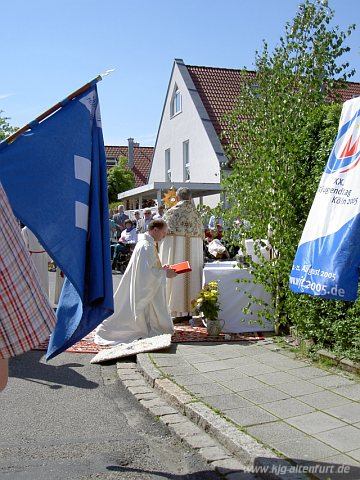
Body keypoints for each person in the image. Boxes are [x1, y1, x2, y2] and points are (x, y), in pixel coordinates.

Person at [0, 182, 56, 391]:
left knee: (42, 286)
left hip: (38, 258)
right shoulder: (24, 231)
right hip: (32, 258)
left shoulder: (38, 230)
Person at [94, 219, 177, 346]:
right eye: (164, 233)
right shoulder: (146, 246)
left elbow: (150, 268)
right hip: (142, 288)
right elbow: (146, 275)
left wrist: (162, 268)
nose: (164, 236)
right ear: (155, 230)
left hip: (143, 285)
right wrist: (165, 274)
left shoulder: (147, 243)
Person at [160, 187, 204, 319]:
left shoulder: (170, 213)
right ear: (190, 198)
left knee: (177, 273)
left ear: (177, 198)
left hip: (175, 252)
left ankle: (175, 310)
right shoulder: (197, 214)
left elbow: (162, 236)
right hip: (193, 253)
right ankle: (192, 310)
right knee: (192, 272)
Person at [21, 226, 50, 299]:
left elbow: (24, 245)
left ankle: (38, 298)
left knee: (38, 278)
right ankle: (44, 298)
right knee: (42, 278)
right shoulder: (42, 227)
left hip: (37, 256)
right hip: (39, 256)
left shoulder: (26, 229)